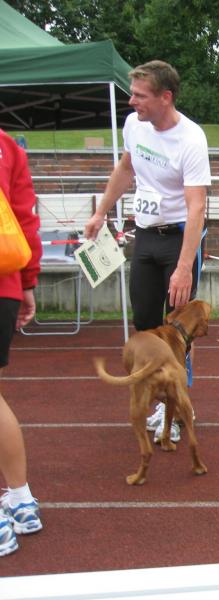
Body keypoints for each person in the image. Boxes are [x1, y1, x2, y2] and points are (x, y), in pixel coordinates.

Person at [84, 60, 211, 444]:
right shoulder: (134, 126)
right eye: (132, 94)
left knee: (177, 331)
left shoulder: (191, 139)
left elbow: (197, 208)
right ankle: (159, 400)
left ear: (165, 97)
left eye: (140, 95)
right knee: (144, 325)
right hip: (145, 236)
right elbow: (126, 169)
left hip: (178, 239)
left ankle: (180, 407)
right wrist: (100, 212)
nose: (131, 101)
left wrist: (184, 267)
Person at [0, 127, 44, 557]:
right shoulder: (8, 146)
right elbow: (25, 217)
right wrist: (27, 281)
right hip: (5, 281)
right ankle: (20, 499)